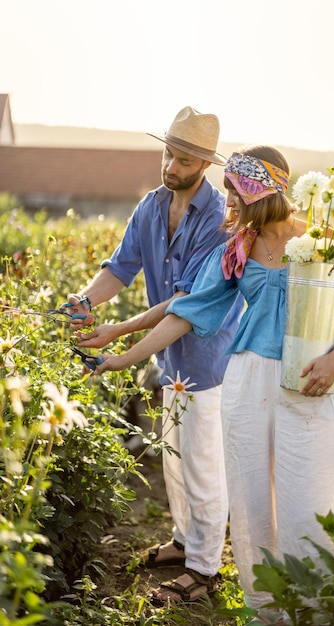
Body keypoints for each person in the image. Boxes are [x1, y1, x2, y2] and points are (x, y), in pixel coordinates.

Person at [81, 145, 334, 618]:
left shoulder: (327, 242)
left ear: (262, 190)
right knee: (250, 499)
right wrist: (128, 355)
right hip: (247, 379)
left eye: (234, 192)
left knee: (308, 499)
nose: (226, 201)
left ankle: (314, 609)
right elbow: (187, 309)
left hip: (309, 382)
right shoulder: (238, 248)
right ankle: (266, 609)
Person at [66, 106, 245, 605]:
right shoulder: (150, 205)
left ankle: (205, 568)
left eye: (185, 160)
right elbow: (120, 266)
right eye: (169, 152)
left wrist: (118, 340)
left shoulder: (220, 220)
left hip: (206, 360)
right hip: (169, 361)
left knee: (202, 464)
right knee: (174, 458)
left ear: (205, 164)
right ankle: (184, 541)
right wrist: (84, 300)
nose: (172, 166)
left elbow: (184, 303)